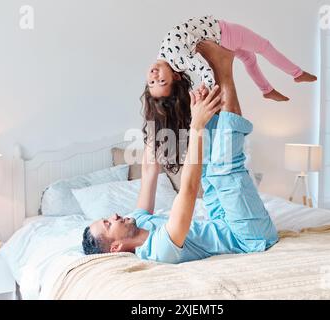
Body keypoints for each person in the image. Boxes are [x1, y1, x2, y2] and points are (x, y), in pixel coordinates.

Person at [82, 44, 278, 263]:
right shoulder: (160, 249)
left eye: (107, 218)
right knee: (222, 170)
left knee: (209, 162)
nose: (114, 216)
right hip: (248, 238)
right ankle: (224, 67)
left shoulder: (139, 221)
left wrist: (157, 109)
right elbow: (189, 189)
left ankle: (213, 84)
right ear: (116, 247)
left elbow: (149, 171)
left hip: (221, 222)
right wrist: (196, 126)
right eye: (108, 224)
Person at [146, 15, 317, 103]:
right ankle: (297, 73)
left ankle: (266, 90)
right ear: (175, 76)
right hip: (224, 33)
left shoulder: (164, 57)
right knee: (264, 46)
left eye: (152, 83)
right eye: (161, 81)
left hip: (220, 38)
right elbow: (204, 70)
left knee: (250, 60)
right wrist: (208, 88)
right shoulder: (177, 60)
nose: (154, 78)